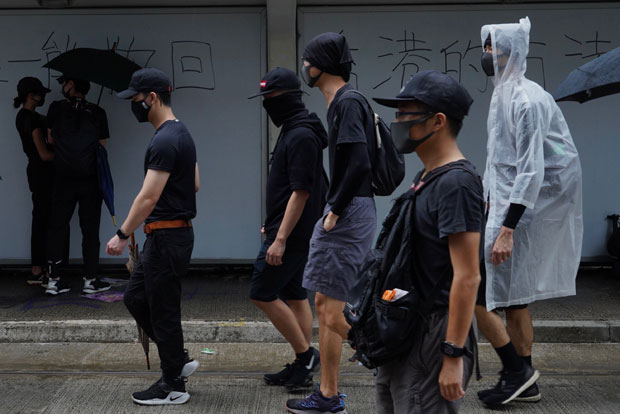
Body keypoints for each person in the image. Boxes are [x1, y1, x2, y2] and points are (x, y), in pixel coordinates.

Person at [475, 17, 583, 407]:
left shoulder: (527, 100)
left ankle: (517, 372)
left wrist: (508, 228)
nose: (487, 55)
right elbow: (501, 163)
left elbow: (532, 169)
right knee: (513, 297)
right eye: (486, 47)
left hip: (517, 214)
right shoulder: (503, 94)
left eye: (493, 48)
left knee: (479, 296)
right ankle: (523, 377)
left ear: (510, 52)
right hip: (503, 208)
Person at [371, 70, 482, 414]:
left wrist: (453, 354)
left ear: (437, 121)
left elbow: (468, 276)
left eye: (406, 114)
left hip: (435, 333)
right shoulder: (427, 175)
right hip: (409, 326)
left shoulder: (457, 184)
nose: (398, 122)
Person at [286, 33, 376, 414]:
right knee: (325, 304)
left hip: (349, 212)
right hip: (347, 210)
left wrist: (335, 211)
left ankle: (385, 349)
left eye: (308, 61)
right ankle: (327, 394)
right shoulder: (341, 103)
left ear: (321, 65)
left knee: (332, 309)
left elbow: (360, 163)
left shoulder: (348, 102)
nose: (305, 67)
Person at [107, 68, 200, 405]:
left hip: (167, 237)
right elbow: (194, 183)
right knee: (136, 298)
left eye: (135, 99)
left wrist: (122, 233)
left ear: (152, 97)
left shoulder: (164, 140)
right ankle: (178, 358)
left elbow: (147, 198)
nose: (134, 105)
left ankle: (173, 385)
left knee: (163, 310)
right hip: (165, 236)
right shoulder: (181, 133)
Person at [248, 67, 327, 390]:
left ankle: (306, 356)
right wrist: (271, 225)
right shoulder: (293, 129)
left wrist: (279, 238)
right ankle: (300, 365)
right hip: (288, 229)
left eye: (271, 96)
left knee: (261, 291)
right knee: (294, 294)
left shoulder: (301, 135)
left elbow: (301, 191)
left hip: (292, 234)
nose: (267, 102)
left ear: (290, 97)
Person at [45, 75, 111, 295]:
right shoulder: (98, 111)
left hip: (62, 177)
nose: (63, 87)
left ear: (71, 85)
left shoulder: (56, 108)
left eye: (64, 83)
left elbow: (50, 139)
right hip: (90, 179)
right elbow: (102, 146)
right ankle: (90, 280)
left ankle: (54, 280)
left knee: (57, 226)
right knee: (90, 229)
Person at [13, 77, 54, 285]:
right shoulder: (31, 119)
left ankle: (38, 268)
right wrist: (66, 156)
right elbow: (44, 154)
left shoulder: (26, 116)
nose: (43, 97)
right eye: (41, 94)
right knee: (44, 220)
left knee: (40, 218)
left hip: (37, 172)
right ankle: (41, 269)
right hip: (42, 173)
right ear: (31, 95)